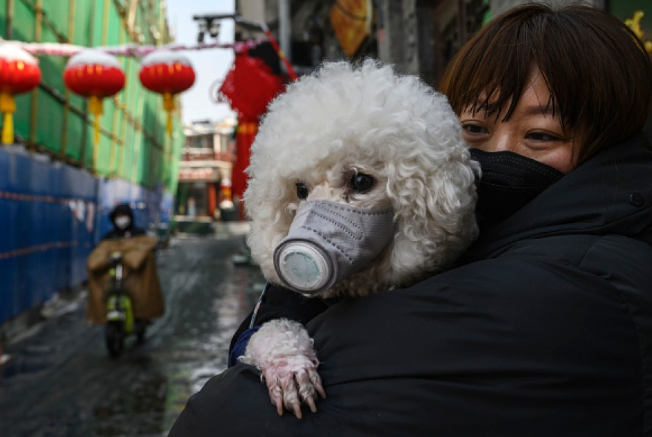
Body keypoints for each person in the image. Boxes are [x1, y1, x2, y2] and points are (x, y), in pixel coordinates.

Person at [168, 4, 652, 436]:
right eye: (475, 129)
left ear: (609, 141)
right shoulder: (456, 238)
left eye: (541, 136)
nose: (500, 154)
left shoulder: (573, 286)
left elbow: (221, 418)